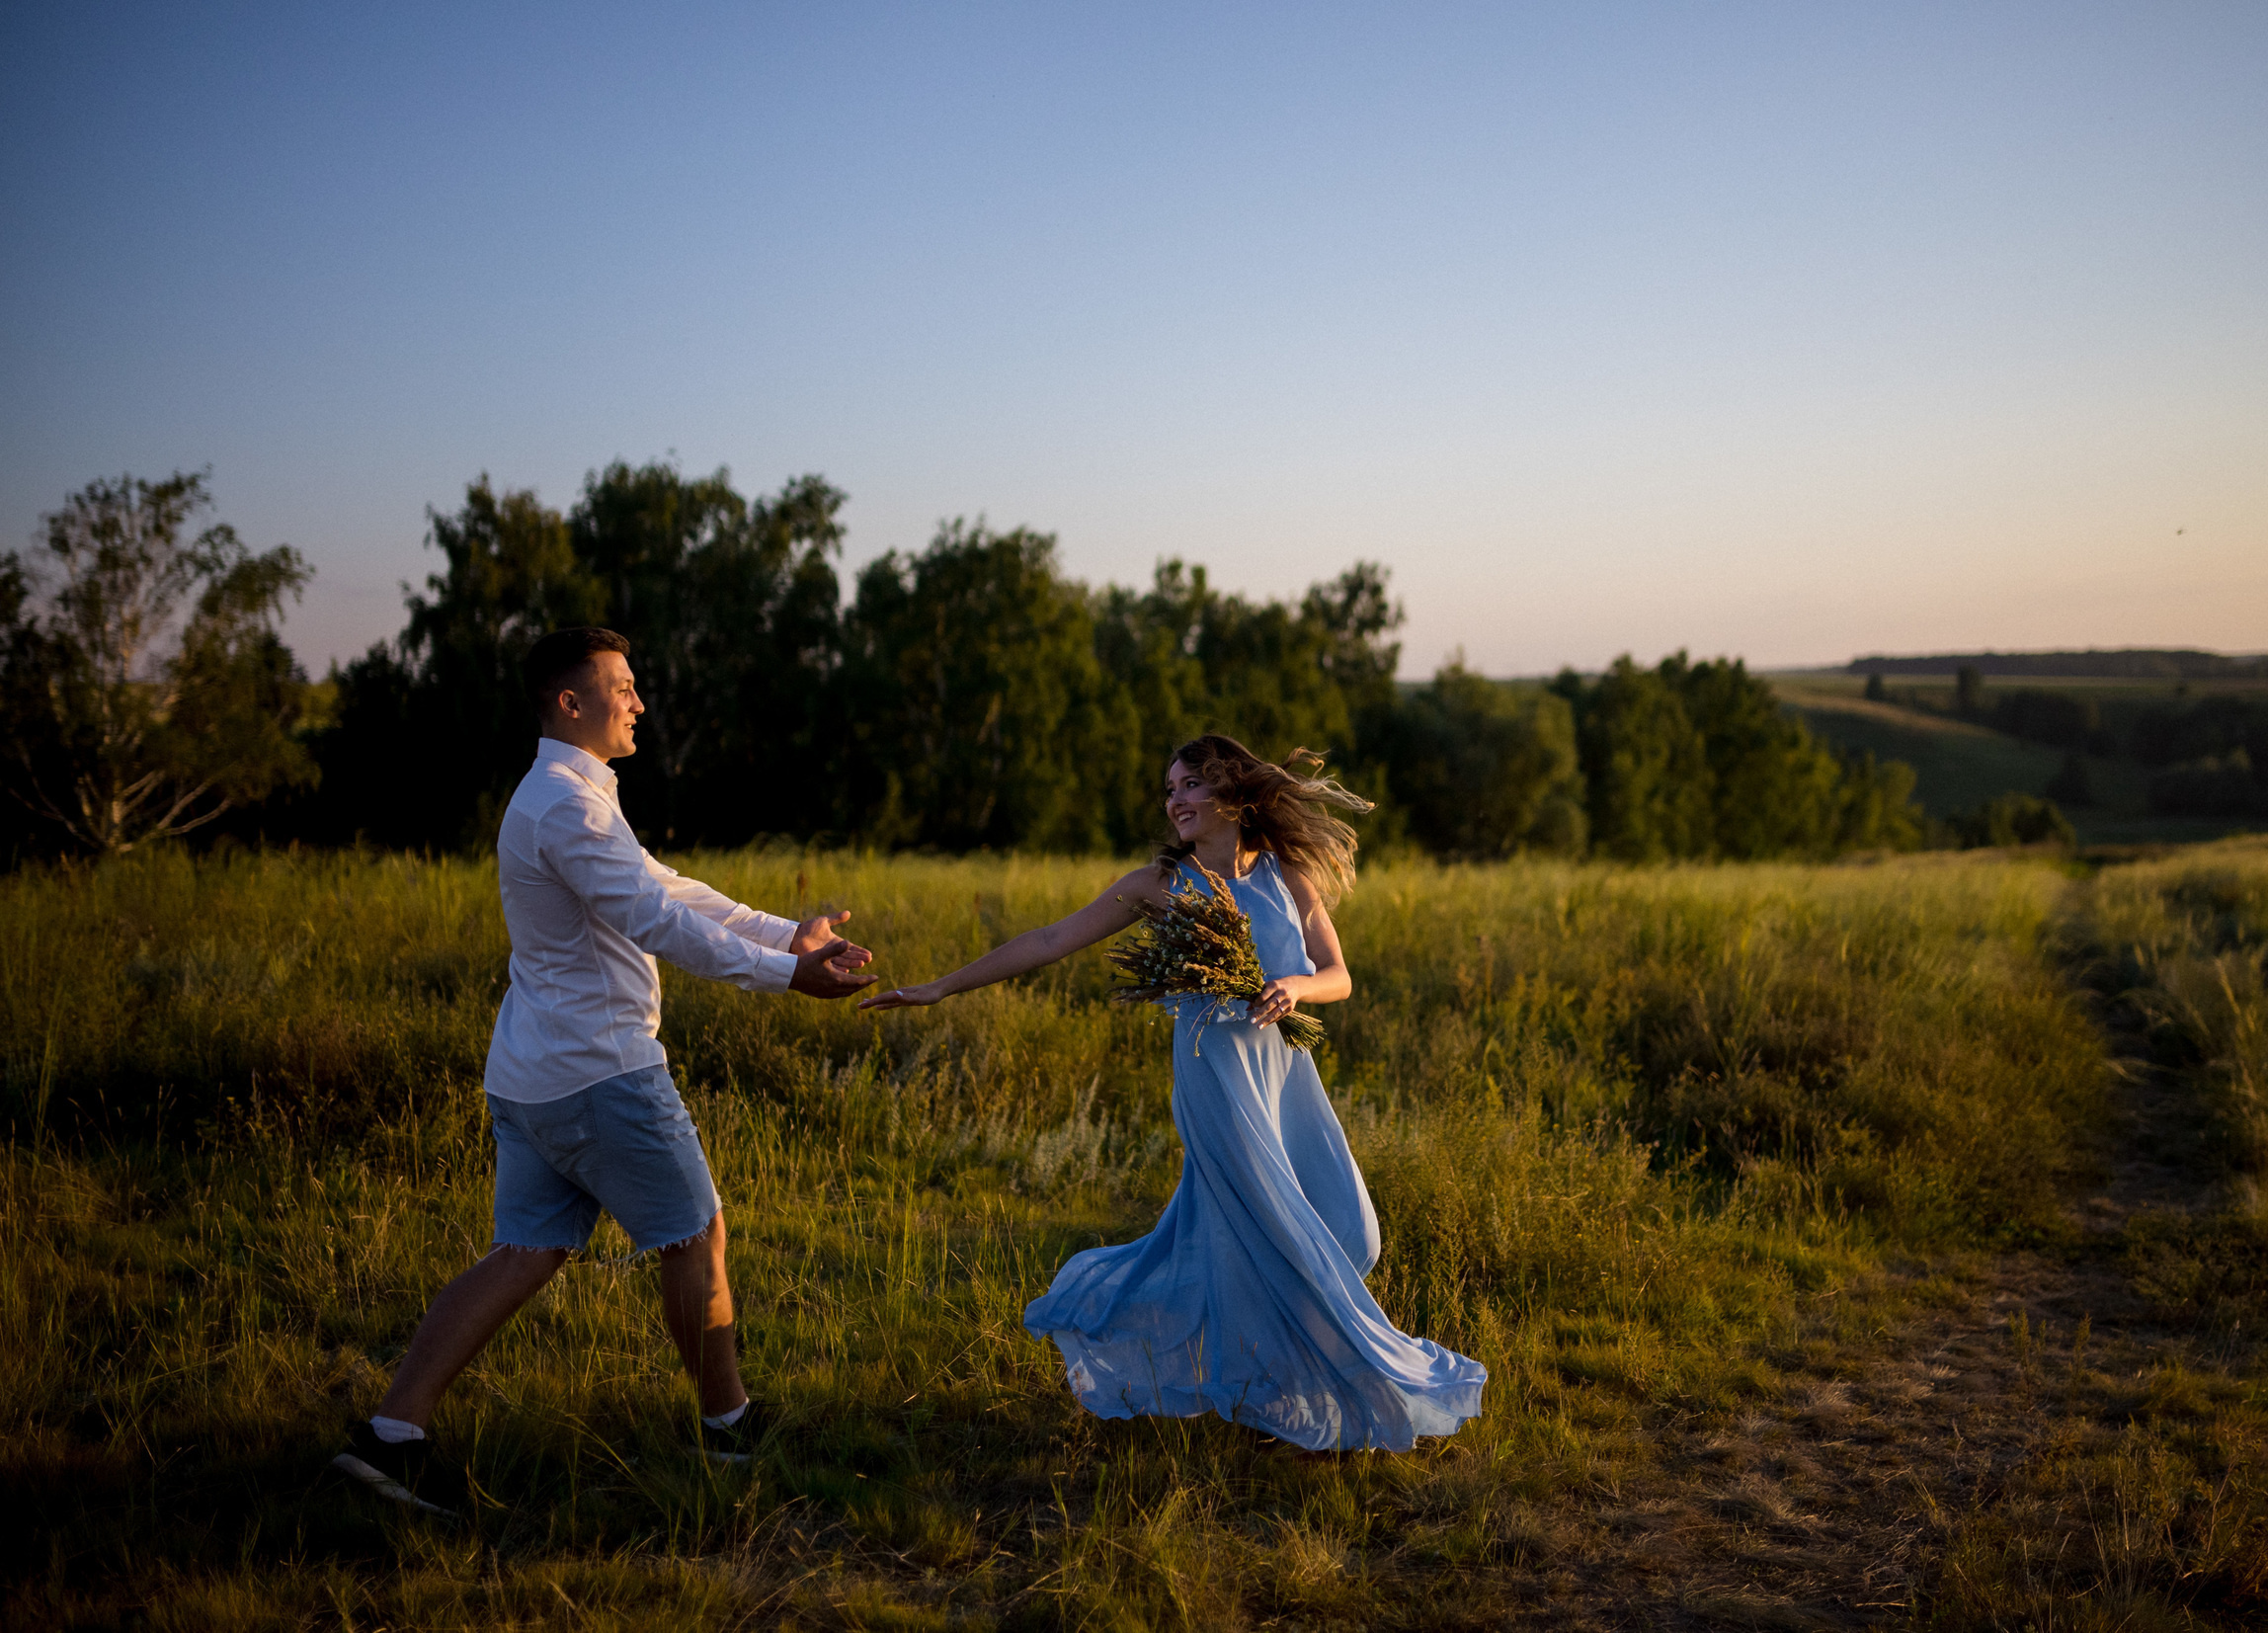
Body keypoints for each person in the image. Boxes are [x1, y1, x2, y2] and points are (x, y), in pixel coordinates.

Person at [332, 626, 878, 1513]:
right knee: (695, 1238)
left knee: (524, 1252)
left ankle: (389, 1439)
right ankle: (731, 1433)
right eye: (621, 686)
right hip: (600, 1073)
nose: (638, 701)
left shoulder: (570, 797)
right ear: (569, 702)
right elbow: (653, 919)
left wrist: (785, 934)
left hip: (535, 1071)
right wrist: (788, 975)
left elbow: (664, 887)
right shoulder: (566, 807)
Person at [858, 734, 1485, 1451]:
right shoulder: (1161, 884)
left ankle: (1257, 1373)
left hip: (1285, 1078)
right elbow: (1049, 939)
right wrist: (941, 986)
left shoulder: (1287, 874)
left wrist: (1296, 986)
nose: (1175, 801)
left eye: (1189, 785)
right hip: (1216, 1083)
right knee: (1277, 1232)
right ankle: (1281, 1400)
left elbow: (1337, 973)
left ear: (1232, 791)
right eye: (1169, 789)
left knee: (1350, 1229)